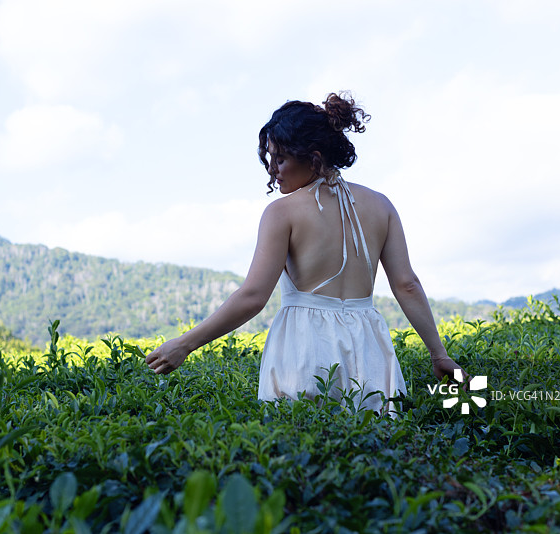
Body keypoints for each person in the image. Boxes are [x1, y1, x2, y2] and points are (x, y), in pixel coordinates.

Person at [146, 92, 466, 416]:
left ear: (312, 157)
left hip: (306, 345)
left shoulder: (281, 213)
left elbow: (253, 296)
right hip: (370, 346)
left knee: (303, 451)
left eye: (281, 158)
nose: (273, 169)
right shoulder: (381, 205)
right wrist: (438, 354)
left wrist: (184, 344)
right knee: (377, 453)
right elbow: (407, 284)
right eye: (270, 158)